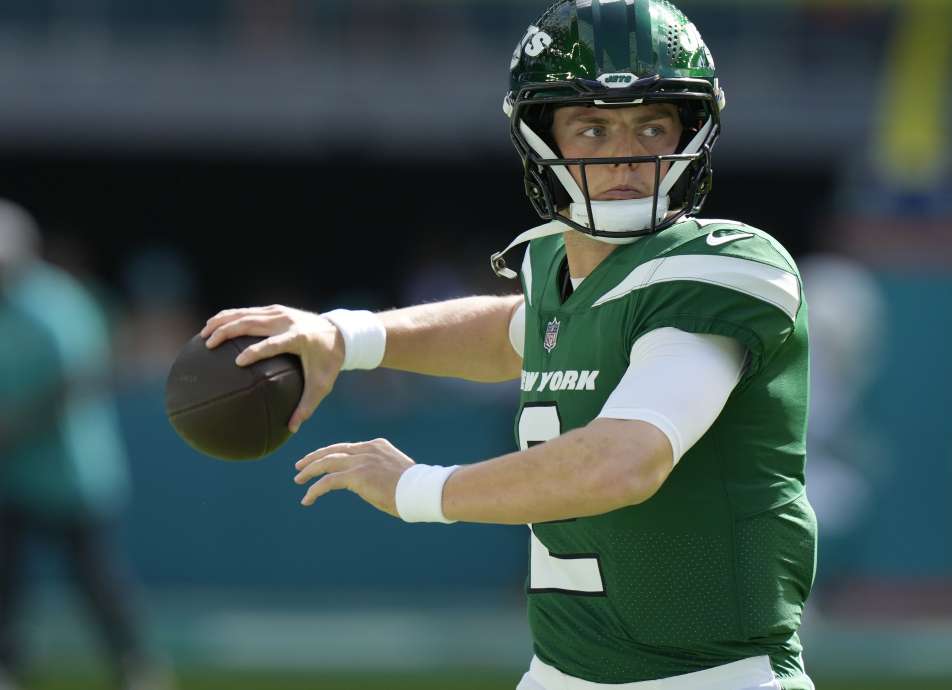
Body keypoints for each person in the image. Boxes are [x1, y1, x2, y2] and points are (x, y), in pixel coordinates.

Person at [200, 2, 816, 688]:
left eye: (651, 125)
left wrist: (418, 488)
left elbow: (624, 461)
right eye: (593, 127)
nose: (626, 153)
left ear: (691, 132)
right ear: (541, 138)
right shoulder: (559, 268)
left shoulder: (722, 266)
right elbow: (509, 332)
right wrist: (347, 334)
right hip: (560, 672)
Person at [0, 200, 168, 690]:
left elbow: (79, 379)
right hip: (12, 474)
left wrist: (14, 425)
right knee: (5, 581)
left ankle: (137, 669)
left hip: (70, 471)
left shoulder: (57, 303)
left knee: (97, 581)